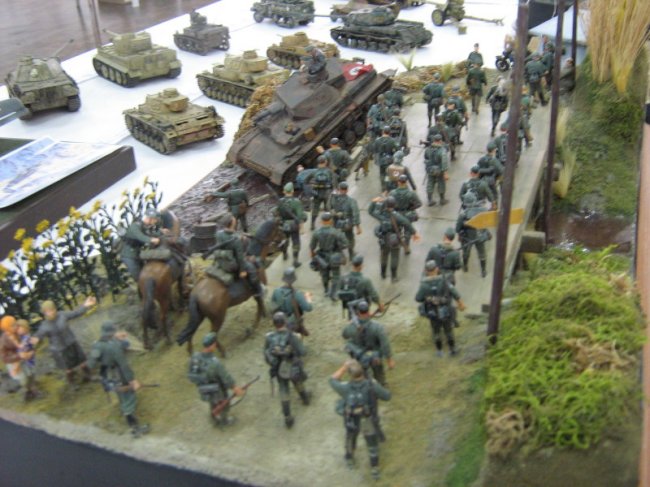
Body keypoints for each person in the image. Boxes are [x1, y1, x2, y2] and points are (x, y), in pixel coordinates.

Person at [329, 359, 391, 479]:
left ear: (350, 374)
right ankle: (374, 469)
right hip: (368, 419)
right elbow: (387, 396)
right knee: (372, 444)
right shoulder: (372, 386)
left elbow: (332, 380)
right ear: (363, 372)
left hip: (351, 419)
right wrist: (376, 384)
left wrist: (344, 367)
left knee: (350, 438)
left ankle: (350, 459)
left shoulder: (345, 388)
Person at [87, 321, 150, 437]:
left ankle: (126, 413)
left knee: (122, 397)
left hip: (107, 375)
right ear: (112, 332)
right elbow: (124, 365)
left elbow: (91, 363)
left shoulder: (97, 345)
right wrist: (133, 381)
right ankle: (135, 428)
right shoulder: (114, 346)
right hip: (120, 376)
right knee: (128, 399)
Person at [32, 296, 96, 386]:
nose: (50, 313)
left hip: (71, 342)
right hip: (60, 349)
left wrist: (85, 305)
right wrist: (35, 339)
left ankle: (88, 376)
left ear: (55, 309)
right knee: (68, 369)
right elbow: (39, 335)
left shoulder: (62, 315)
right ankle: (72, 383)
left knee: (82, 362)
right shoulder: (44, 326)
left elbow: (75, 313)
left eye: (52, 310)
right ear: (44, 313)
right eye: (47, 311)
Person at [264, 311, 310, 428]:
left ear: (274, 324)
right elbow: (303, 352)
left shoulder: (269, 337)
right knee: (297, 382)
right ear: (285, 322)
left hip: (279, 368)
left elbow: (266, 353)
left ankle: (287, 417)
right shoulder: (292, 336)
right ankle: (305, 398)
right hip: (293, 365)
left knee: (283, 389)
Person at [188, 332, 245, 426]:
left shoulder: (195, 357)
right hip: (217, 389)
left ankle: (214, 417)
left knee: (212, 402)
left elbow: (191, 375)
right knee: (224, 404)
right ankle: (224, 421)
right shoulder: (215, 362)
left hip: (203, 388)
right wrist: (235, 387)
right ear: (212, 345)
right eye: (214, 344)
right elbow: (225, 377)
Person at [415, 261, 466, 356]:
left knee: (436, 332)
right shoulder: (444, 280)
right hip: (445, 310)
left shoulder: (423, 285)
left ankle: (439, 351)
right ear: (437, 269)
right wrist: (460, 303)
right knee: (448, 331)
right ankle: (452, 349)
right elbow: (454, 292)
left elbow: (418, 298)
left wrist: (428, 298)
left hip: (432, 312)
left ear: (426, 271)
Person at [206, 214, 263, 298]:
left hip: (222, 259)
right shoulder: (236, 240)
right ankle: (258, 290)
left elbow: (228, 234)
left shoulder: (218, 234)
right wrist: (242, 270)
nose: (235, 220)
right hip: (233, 263)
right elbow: (240, 258)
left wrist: (241, 235)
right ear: (232, 223)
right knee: (251, 268)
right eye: (234, 220)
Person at [342, 300, 395, 386]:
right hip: (375, 356)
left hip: (360, 356)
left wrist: (349, 324)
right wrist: (389, 360)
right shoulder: (378, 326)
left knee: (363, 375)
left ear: (358, 312)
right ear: (368, 311)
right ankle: (381, 385)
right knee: (379, 374)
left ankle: (366, 386)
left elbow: (344, 335)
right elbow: (385, 343)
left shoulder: (351, 326)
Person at [369, 196, 420, 282]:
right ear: (394, 205)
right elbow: (406, 223)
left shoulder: (381, 214)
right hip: (394, 239)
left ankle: (383, 274)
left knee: (384, 256)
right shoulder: (397, 216)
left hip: (384, 238)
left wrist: (373, 202)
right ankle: (393, 277)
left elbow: (370, 212)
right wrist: (415, 233)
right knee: (394, 257)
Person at [309, 212, 348, 300]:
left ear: (321, 221)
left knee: (324, 275)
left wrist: (313, 255)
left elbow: (312, 246)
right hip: (335, 256)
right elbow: (345, 244)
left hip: (322, 256)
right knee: (336, 275)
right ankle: (334, 294)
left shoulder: (316, 232)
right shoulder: (336, 232)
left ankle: (326, 290)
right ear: (331, 221)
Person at [120, 208, 163, 281]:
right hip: (129, 256)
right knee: (140, 278)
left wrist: (161, 232)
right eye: (155, 220)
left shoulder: (144, 226)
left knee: (146, 273)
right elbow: (141, 237)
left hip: (137, 254)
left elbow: (150, 234)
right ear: (150, 218)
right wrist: (152, 240)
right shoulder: (135, 226)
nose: (155, 222)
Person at [270, 267, 313, 336]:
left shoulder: (276, 291)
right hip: (292, 322)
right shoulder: (297, 294)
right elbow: (309, 308)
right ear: (294, 279)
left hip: (280, 321)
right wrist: (308, 298)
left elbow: (272, 306)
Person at [456, 193, 491, 277]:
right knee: (482, 253)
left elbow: (457, 228)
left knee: (466, 253)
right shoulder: (484, 210)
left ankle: (465, 266)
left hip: (467, 237)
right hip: (480, 235)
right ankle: (483, 271)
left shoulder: (463, 214)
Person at [276, 182, 307, 268]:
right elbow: (300, 216)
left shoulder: (280, 201)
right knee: (296, 241)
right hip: (294, 225)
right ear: (292, 191)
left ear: (284, 191)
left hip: (283, 224)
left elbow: (276, 213)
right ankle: (295, 261)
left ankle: (284, 254)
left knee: (285, 240)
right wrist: (302, 228)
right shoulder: (296, 202)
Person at [329, 181, 361, 260]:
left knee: (336, 238)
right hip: (347, 223)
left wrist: (334, 213)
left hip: (336, 223)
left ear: (339, 189)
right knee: (350, 238)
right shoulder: (351, 201)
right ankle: (351, 254)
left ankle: (339, 254)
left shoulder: (334, 199)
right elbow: (355, 213)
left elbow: (329, 207)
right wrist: (357, 226)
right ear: (347, 190)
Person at [389, 174, 422, 250]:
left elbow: (389, 204)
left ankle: (396, 244)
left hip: (397, 214)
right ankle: (406, 246)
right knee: (407, 231)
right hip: (408, 213)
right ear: (406, 182)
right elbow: (419, 204)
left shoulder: (392, 193)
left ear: (398, 182)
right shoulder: (411, 193)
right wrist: (412, 208)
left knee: (397, 230)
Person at [305, 155, 336, 230]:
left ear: (318, 163)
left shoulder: (314, 172)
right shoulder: (329, 171)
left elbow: (306, 181)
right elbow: (334, 182)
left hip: (317, 193)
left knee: (315, 209)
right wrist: (333, 191)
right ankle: (329, 224)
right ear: (325, 162)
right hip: (327, 192)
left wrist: (312, 187)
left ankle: (312, 225)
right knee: (328, 208)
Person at [16, 319, 40, 401]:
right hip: (24, 362)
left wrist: (32, 351)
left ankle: (33, 392)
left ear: (25, 328)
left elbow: (33, 346)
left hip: (29, 361)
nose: (18, 330)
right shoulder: (20, 338)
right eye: (17, 328)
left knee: (31, 376)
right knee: (28, 377)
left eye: (20, 328)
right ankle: (30, 391)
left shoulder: (27, 338)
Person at [423, 134, 449, 206]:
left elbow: (425, 157)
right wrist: (445, 172)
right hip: (439, 170)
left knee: (430, 183)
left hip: (430, 169)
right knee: (441, 183)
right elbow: (444, 162)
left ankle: (430, 200)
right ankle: (442, 199)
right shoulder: (442, 150)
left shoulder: (428, 149)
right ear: (440, 141)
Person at [0, 316, 23, 394]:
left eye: (15, 324)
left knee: (27, 373)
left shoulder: (17, 333)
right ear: (7, 328)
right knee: (19, 377)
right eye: (13, 325)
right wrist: (18, 357)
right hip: (12, 361)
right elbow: (4, 357)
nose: (16, 326)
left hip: (22, 359)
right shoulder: (3, 341)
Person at [373, 125, 399, 191]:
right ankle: (389, 187)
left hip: (381, 160)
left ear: (383, 132)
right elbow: (397, 150)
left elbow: (375, 151)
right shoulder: (392, 140)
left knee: (382, 174)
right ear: (389, 132)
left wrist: (376, 160)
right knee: (389, 174)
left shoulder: (377, 141)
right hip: (390, 160)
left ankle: (383, 187)